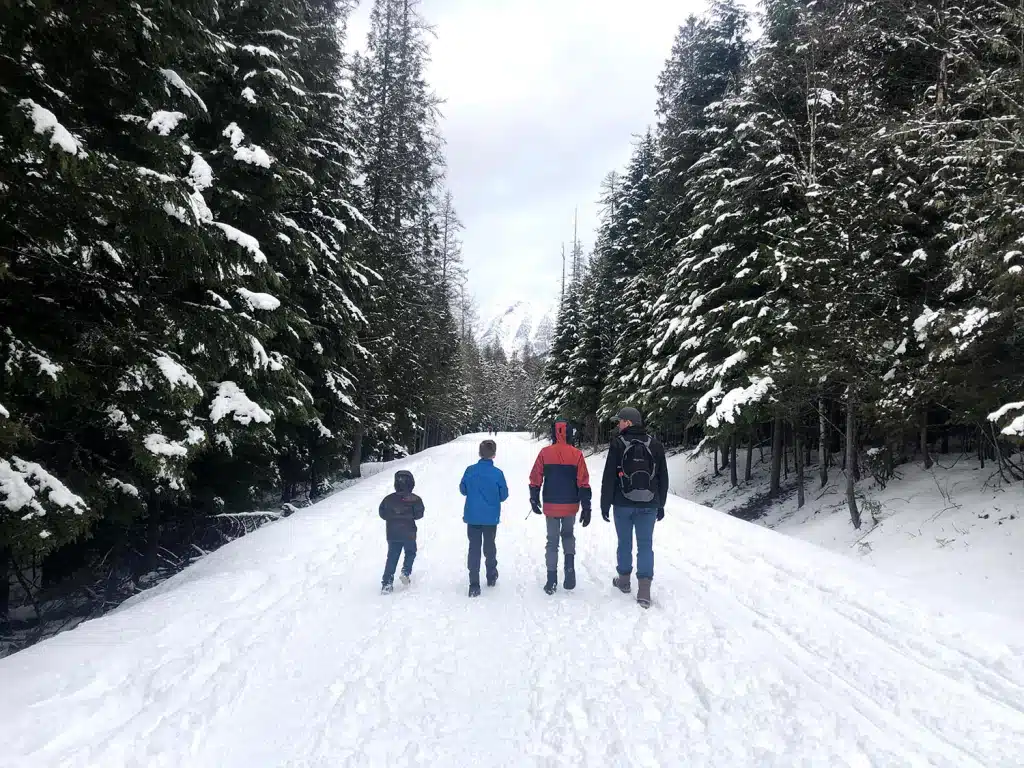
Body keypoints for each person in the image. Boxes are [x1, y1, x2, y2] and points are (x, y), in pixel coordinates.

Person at [600, 407, 669, 609]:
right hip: (649, 503)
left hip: (622, 503)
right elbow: (663, 477)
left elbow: (609, 477)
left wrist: (605, 504)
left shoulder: (617, 443)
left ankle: (624, 581)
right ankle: (644, 592)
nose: (618, 424)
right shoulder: (655, 444)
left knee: (624, 542)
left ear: (629, 422)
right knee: (645, 545)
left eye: (620, 421)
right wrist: (661, 504)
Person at [529, 419, 592, 594]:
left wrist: (534, 497)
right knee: (568, 535)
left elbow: (535, 477)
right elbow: (583, 482)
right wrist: (586, 506)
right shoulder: (576, 454)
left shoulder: (545, 453)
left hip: (551, 503)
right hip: (570, 504)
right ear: (570, 433)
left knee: (552, 541)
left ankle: (551, 579)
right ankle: (569, 568)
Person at [459, 439, 509, 597]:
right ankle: (491, 575)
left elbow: (463, 489)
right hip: (490, 518)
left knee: (474, 548)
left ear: (479, 453)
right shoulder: (498, 473)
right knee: (489, 546)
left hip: (473, 516)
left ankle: (474, 584)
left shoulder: (470, 470)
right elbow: (504, 495)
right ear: (494, 454)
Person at [378, 470, 425, 594]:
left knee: (392, 557)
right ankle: (405, 571)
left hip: (392, 533)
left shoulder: (388, 499)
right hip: (409, 532)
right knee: (410, 552)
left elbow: (382, 513)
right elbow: (419, 514)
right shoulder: (415, 499)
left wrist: (392, 517)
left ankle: (387, 583)